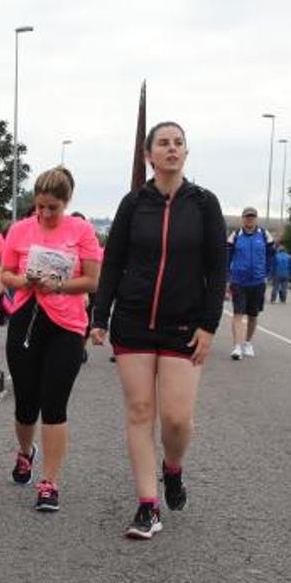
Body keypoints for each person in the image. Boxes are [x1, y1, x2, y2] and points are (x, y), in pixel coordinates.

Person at [91, 121, 226, 539]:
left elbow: (217, 268)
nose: (171, 149)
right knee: (139, 412)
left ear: (186, 153)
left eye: (178, 143)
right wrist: (100, 316)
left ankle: (173, 468)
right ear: (149, 155)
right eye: (163, 143)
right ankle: (147, 506)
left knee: (176, 419)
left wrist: (208, 325)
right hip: (132, 321)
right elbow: (112, 262)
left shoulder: (204, 204)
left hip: (183, 324)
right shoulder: (134, 204)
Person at [0, 167, 102, 512]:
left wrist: (58, 285)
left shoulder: (82, 230)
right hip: (27, 318)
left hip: (67, 324)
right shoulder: (20, 229)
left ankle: (49, 482)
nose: (44, 214)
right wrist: (24, 280)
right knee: (26, 402)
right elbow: (5, 274)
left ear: (66, 202)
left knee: (54, 402)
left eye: (52, 208)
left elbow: (92, 281)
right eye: (39, 206)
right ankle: (25, 452)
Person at [226, 207, 274, 360]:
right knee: (238, 314)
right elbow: (227, 257)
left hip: (258, 281)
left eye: (252, 217)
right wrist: (228, 277)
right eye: (247, 217)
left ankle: (247, 343)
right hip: (238, 281)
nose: (249, 220)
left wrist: (267, 274)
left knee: (253, 315)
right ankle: (237, 346)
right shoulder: (235, 235)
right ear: (243, 219)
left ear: (256, 219)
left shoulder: (264, 235)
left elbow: (271, 256)